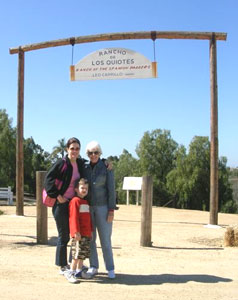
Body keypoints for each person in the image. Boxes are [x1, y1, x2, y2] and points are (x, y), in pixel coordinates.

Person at [44, 137, 85, 275]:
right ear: (67, 149)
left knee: (75, 234)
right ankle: (62, 265)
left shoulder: (80, 163)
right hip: (61, 204)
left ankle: (73, 264)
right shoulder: (61, 163)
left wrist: (105, 162)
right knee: (63, 235)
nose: (74, 151)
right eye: (72, 148)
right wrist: (57, 195)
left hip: (73, 204)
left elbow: (92, 164)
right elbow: (48, 180)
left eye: (77, 148)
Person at [83, 141, 116, 279]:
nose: (93, 155)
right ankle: (93, 266)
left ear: (100, 153)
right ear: (87, 154)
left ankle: (110, 268)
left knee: (105, 240)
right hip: (88, 207)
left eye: (96, 152)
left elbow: (111, 190)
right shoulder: (84, 167)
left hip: (103, 208)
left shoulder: (106, 167)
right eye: (90, 152)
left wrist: (111, 210)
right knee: (91, 239)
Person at [64, 178, 92, 283]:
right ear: (76, 189)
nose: (84, 190)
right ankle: (71, 272)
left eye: (86, 188)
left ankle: (79, 271)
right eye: (82, 188)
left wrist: (91, 231)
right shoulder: (75, 201)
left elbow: (89, 219)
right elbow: (73, 218)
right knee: (76, 255)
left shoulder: (86, 202)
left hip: (86, 234)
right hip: (78, 234)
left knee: (82, 254)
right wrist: (75, 231)